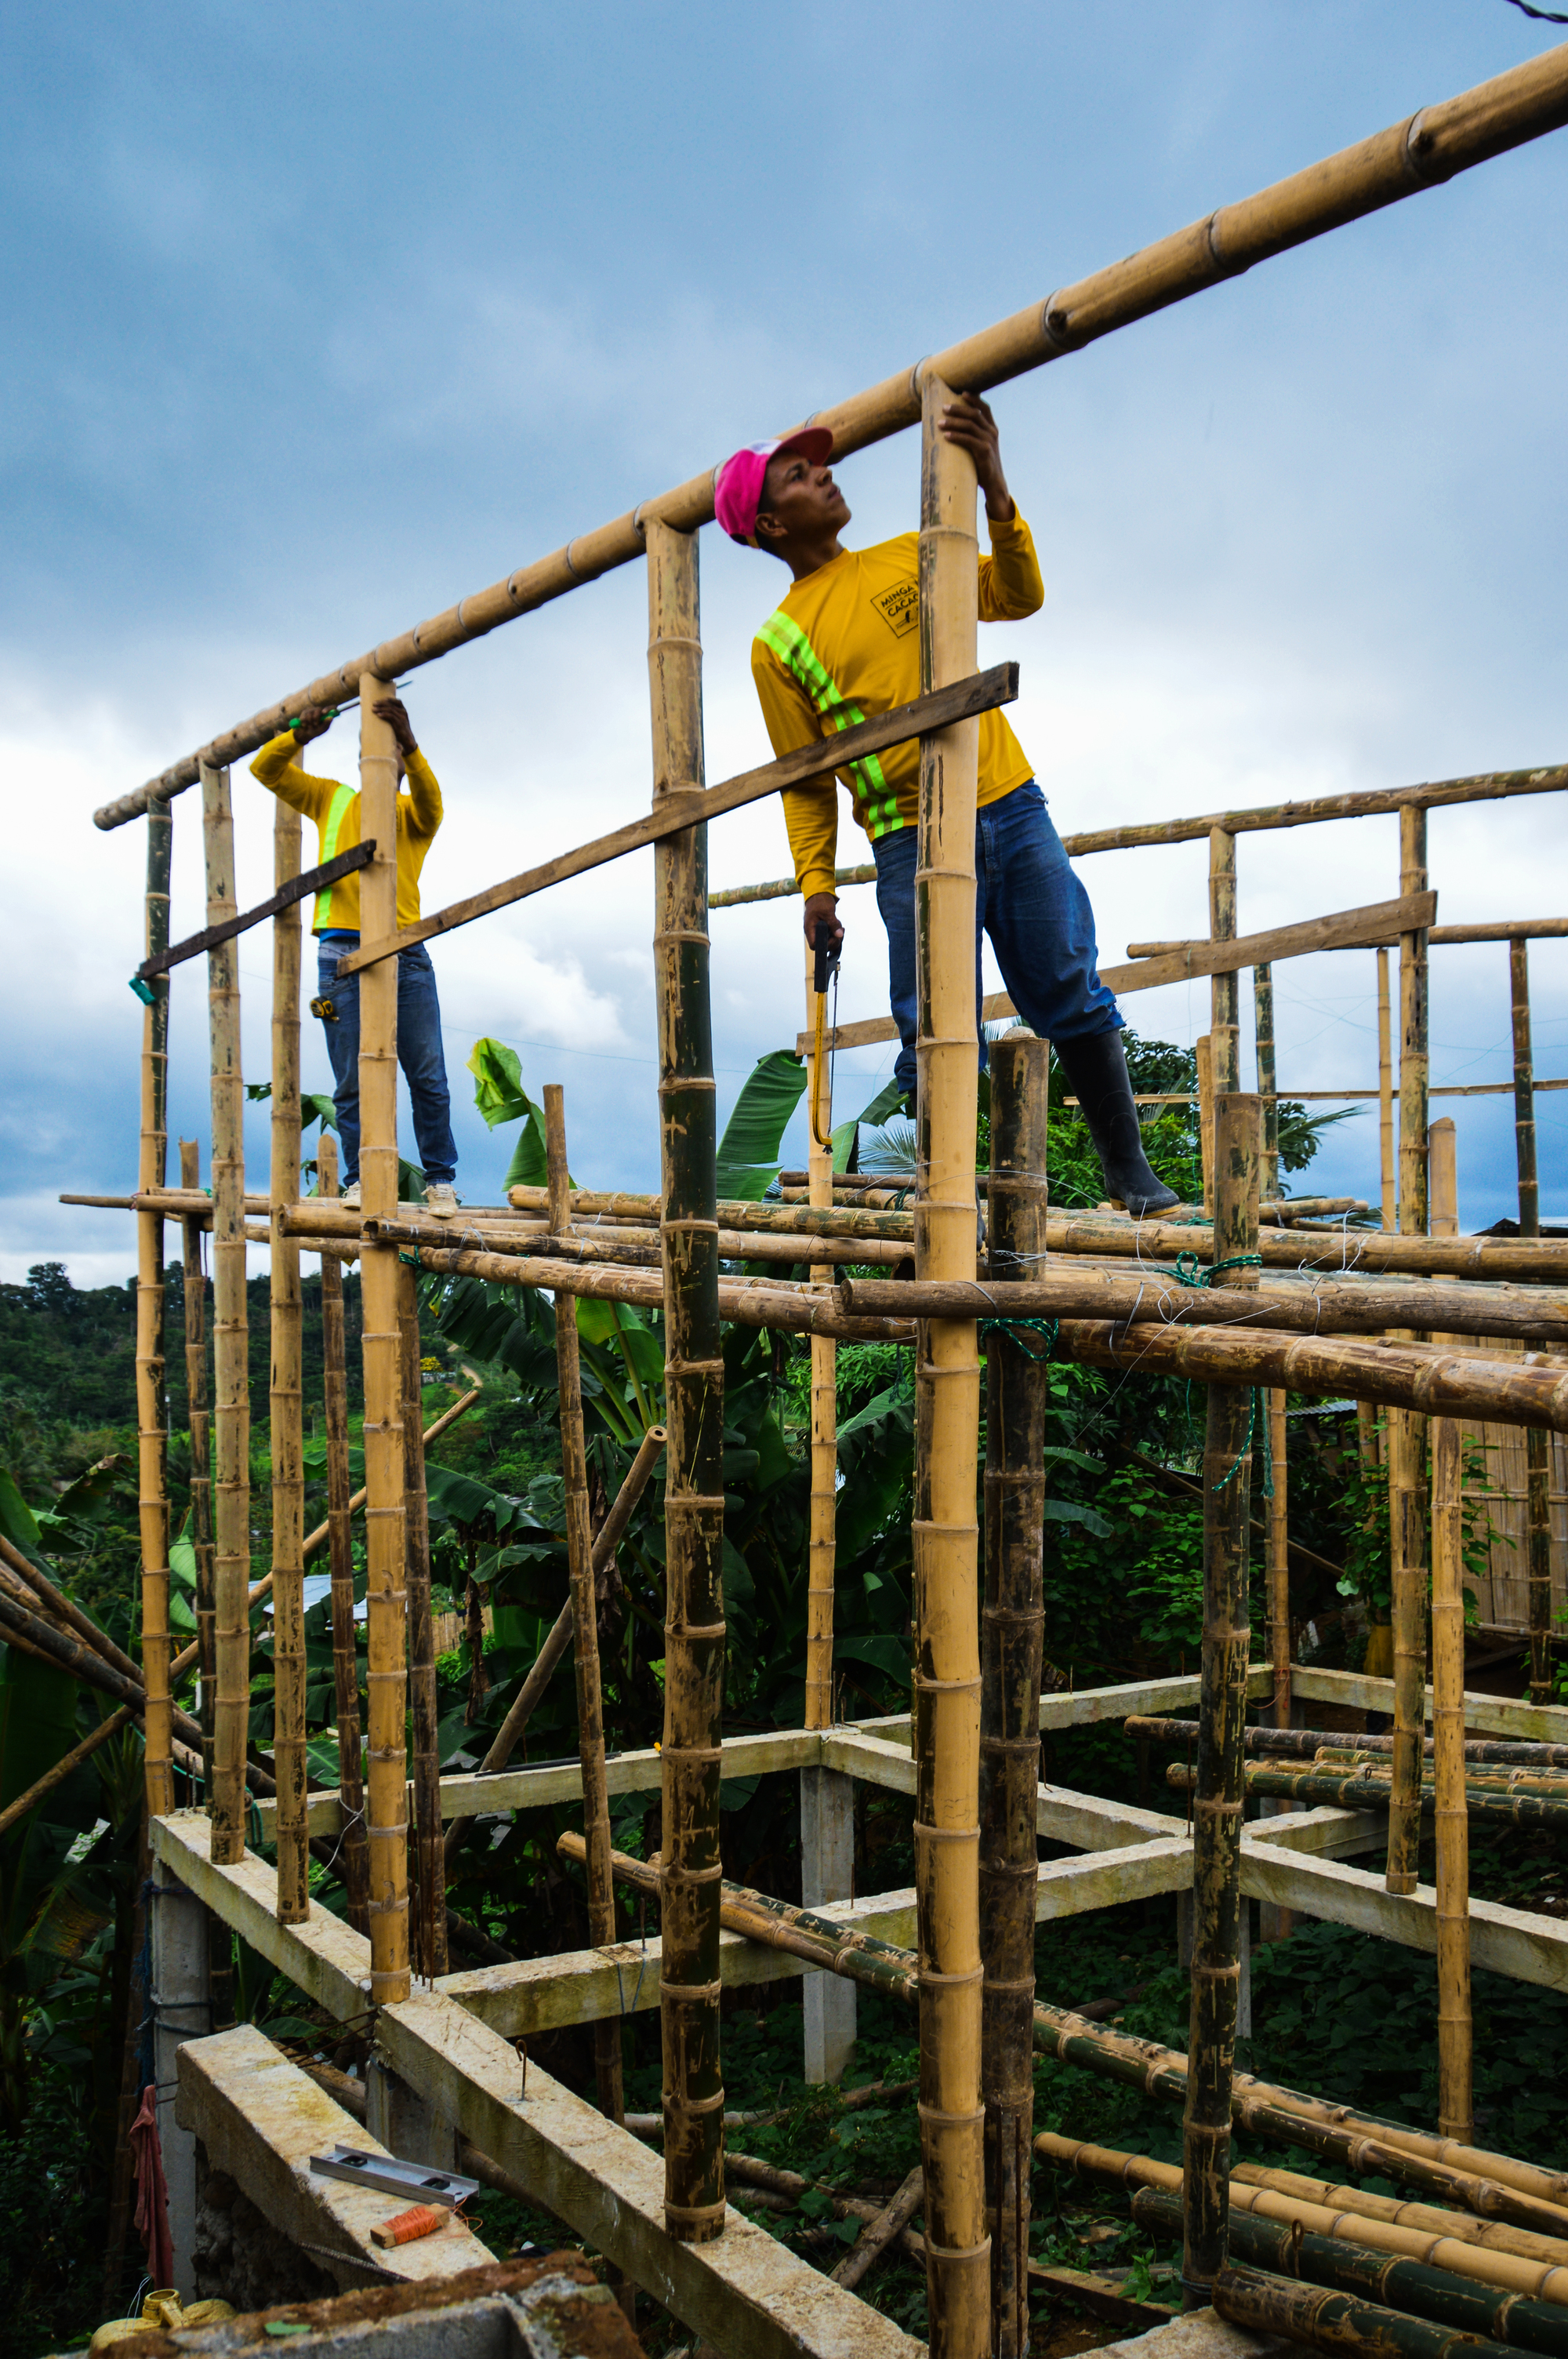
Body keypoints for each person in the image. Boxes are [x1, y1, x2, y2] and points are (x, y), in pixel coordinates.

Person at [716, 398, 1178, 1216]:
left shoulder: (911, 554)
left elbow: (1017, 594)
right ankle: (947, 1189)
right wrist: (815, 885)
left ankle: (1128, 1177)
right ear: (765, 523)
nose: (823, 473)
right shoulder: (778, 641)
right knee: (930, 1024)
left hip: (1009, 803)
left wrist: (996, 492)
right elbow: (804, 778)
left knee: (1070, 983)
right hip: (907, 838)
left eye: (818, 463)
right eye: (798, 473)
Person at [250, 696, 459, 1213]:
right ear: (364, 765)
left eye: (393, 759)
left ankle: (440, 1179)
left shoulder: (412, 813)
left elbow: (434, 800)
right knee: (351, 1077)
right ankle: (360, 1177)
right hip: (338, 954)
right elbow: (265, 768)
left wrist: (412, 743)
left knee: (427, 1072)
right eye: (375, 757)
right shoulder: (332, 799)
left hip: (406, 949)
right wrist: (300, 735)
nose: (382, 768)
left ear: (398, 769)